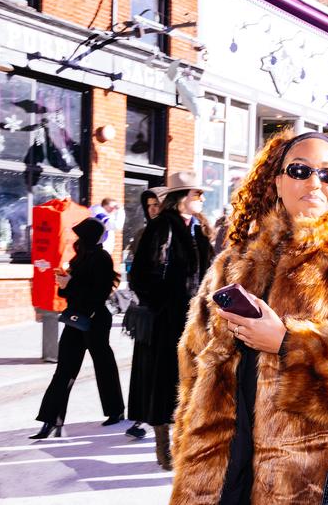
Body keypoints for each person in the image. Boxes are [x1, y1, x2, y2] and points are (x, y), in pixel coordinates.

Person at [169, 132, 328, 504]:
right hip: (221, 473)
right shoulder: (234, 261)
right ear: (278, 181)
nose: (314, 182)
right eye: (300, 170)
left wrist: (290, 345)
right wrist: (188, 452)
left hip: (315, 480)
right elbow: (194, 369)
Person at [129, 171, 214, 470]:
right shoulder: (163, 227)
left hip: (197, 319)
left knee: (192, 381)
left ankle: (187, 443)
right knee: (166, 382)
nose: (201, 199)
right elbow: (141, 275)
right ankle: (164, 447)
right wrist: (165, 304)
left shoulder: (200, 229)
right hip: (170, 320)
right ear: (180, 198)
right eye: (196, 194)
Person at [30, 218, 124, 439]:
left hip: (95, 319)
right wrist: (63, 283)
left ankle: (115, 410)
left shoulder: (101, 258)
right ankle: (51, 420)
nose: (77, 239)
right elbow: (69, 292)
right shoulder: (79, 257)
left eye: (81, 235)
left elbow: (99, 293)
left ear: (90, 236)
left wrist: (71, 284)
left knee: (103, 365)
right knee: (64, 369)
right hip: (75, 318)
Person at [123, 187, 163, 440]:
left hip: (172, 312)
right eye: (149, 206)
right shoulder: (142, 234)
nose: (153, 210)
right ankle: (141, 415)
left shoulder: (189, 231)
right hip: (146, 311)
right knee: (144, 364)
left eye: (157, 205)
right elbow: (133, 269)